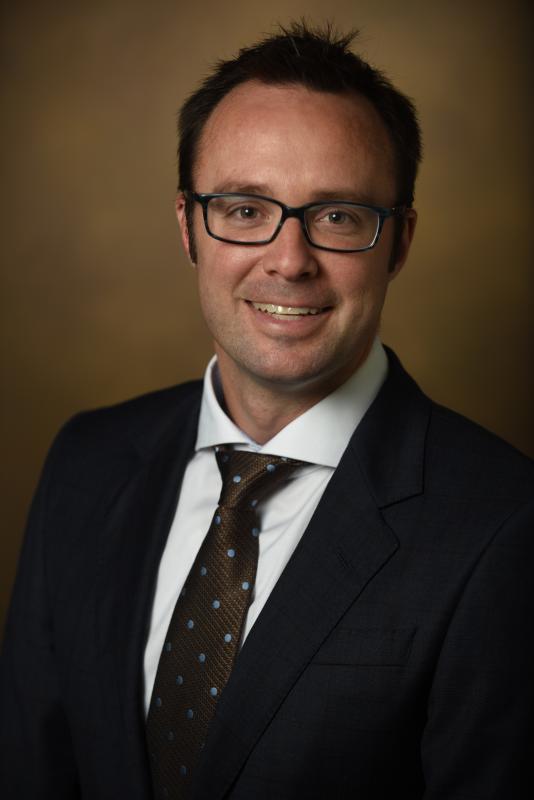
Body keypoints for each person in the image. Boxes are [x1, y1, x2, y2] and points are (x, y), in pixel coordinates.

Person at [1, 22, 533, 800]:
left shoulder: (505, 525)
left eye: (339, 216)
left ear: (400, 243)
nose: (289, 261)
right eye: (246, 209)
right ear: (188, 226)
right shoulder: (87, 462)